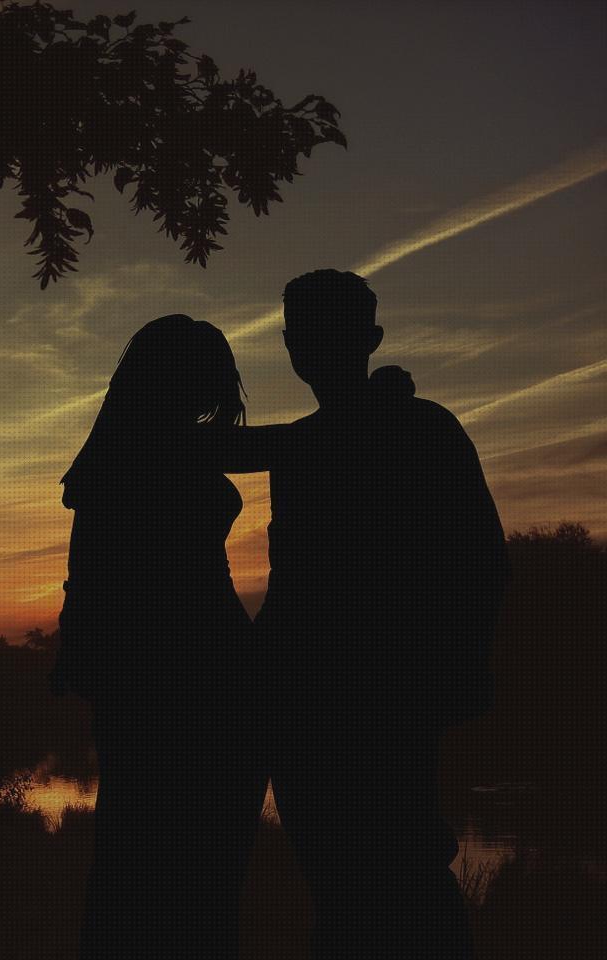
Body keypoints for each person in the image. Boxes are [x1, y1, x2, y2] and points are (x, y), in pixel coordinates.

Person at [254, 269, 509, 960]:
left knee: (399, 879)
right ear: (290, 344)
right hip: (307, 703)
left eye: (328, 332)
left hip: (383, 698)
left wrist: (462, 663)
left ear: (369, 338)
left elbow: (483, 559)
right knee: (346, 889)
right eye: (305, 333)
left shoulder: (421, 430)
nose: (314, 347)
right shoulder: (306, 443)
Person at [53, 314, 264, 960]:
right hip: (188, 675)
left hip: (193, 674)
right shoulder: (154, 450)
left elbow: (82, 574)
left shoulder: (131, 449)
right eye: (206, 383)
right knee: (177, 871)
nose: (213, 403)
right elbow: (87, 574)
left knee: (159, 867)